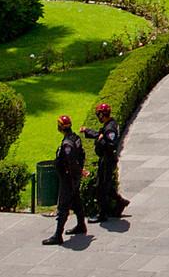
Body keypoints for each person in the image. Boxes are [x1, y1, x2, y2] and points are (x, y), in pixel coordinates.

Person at [45, 115, 89, 244]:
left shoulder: (67, 144)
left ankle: (58, 235)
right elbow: (81, 155)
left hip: (68, 178)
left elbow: (71, 161)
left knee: (63, 206)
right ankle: (81, 225)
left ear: (60, 127)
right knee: (76, 200)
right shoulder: (75, 138)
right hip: (73, 177)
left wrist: (79, 171)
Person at [82, 103, 128, 222]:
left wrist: (101, 141)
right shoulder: (109, 125)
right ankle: (120, 202)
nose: (98, 117)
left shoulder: (110, 128)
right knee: (106, 185)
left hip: (107, 159)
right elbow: (101, 136)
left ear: (102, 115)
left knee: (101, 187)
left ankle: (102, 213)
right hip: (106, 158)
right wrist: (89, 131)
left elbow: (111, 144)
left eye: (99, 114)